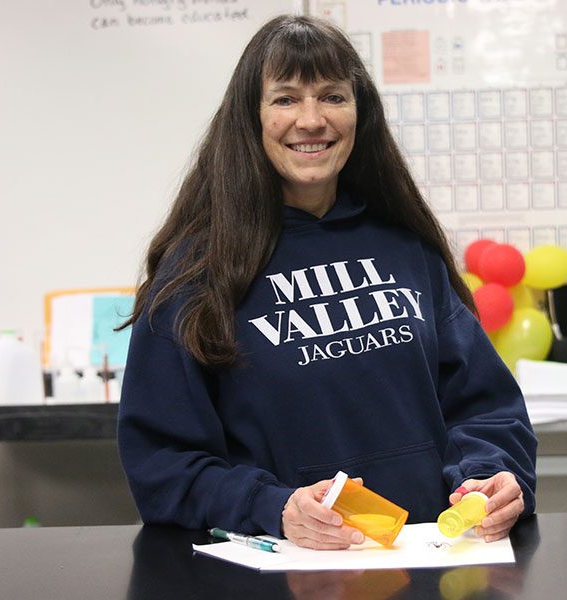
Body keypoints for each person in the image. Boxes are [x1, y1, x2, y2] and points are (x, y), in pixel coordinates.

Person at [117, 14, 537, 550]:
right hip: (286, 576)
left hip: (434, 560)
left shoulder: (408, 248)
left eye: (333, 96)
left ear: (361, 112)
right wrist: (273, 507)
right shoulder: (196, 275)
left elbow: (485, 407)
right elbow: (162, 467)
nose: (311, 119)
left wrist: (493, 475)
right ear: (251, 117)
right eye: (286, 99)